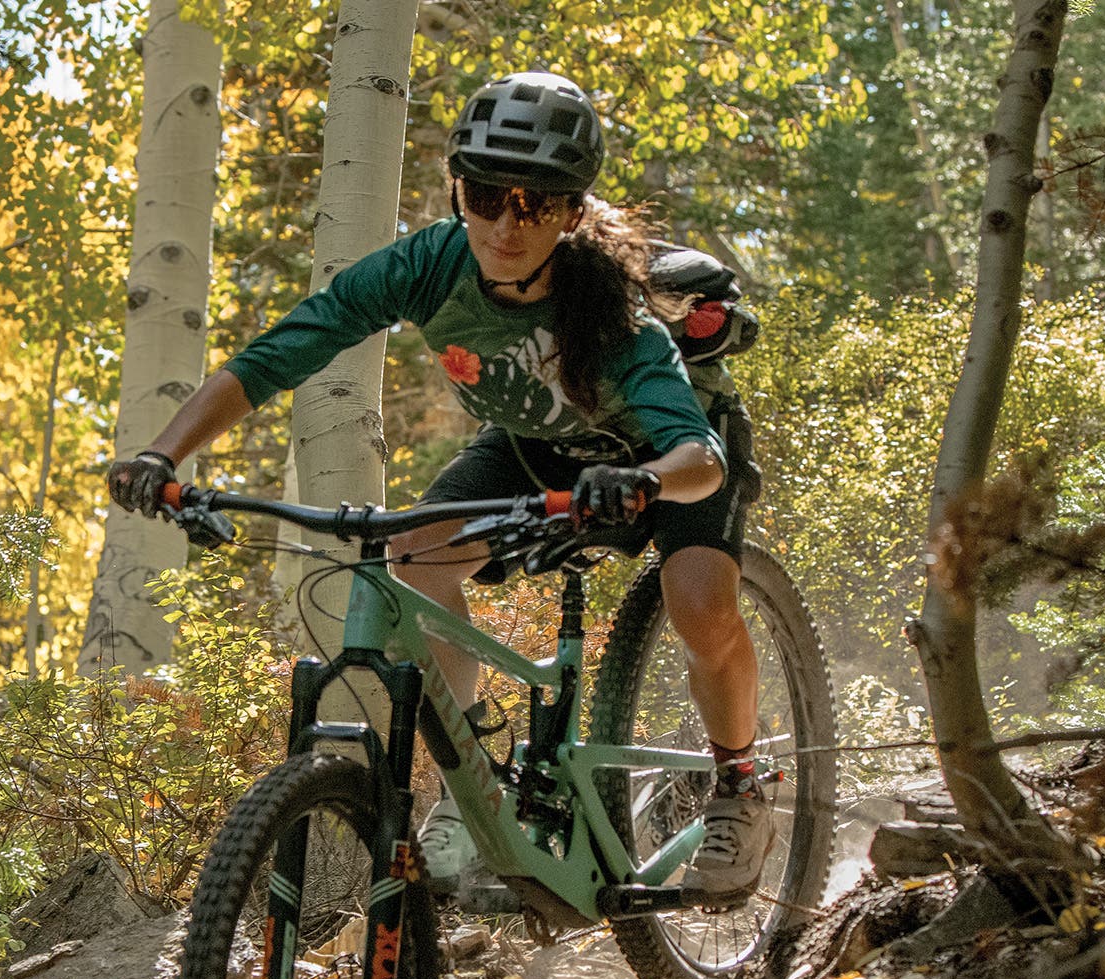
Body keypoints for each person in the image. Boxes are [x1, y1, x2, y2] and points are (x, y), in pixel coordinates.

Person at [108, 71, 773, 904]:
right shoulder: (429, 265)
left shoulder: (612, 305)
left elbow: (699, 458)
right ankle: (476, 783)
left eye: (534, 204)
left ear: (572, 213)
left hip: (659, 455)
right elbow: (282, 352)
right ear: (458, 189)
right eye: (486, 195)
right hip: (539, 447)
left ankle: (739, 785)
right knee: (415, 553)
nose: (505, 224)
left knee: (700, 602)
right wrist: (162, 455)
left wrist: (640, 480)